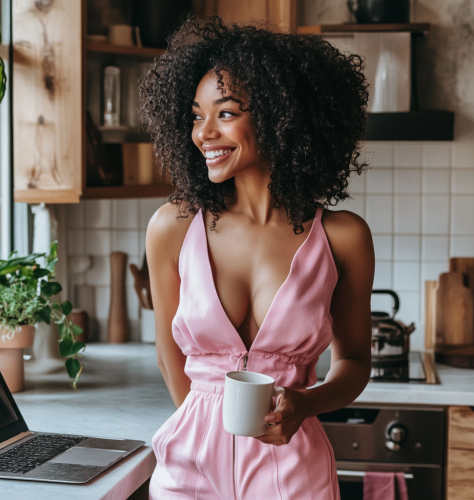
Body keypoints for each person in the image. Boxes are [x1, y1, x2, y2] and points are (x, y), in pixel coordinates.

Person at [141, 16, 374, 500]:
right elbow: (170, 356)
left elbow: (353, 363)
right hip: (189, 471)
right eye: (194, 115)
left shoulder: (343, 237)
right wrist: (206, 437)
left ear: (279, 113)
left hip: (292, 469)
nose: (204, 132)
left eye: (225, 113)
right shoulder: (173, 227)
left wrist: (305, 403)